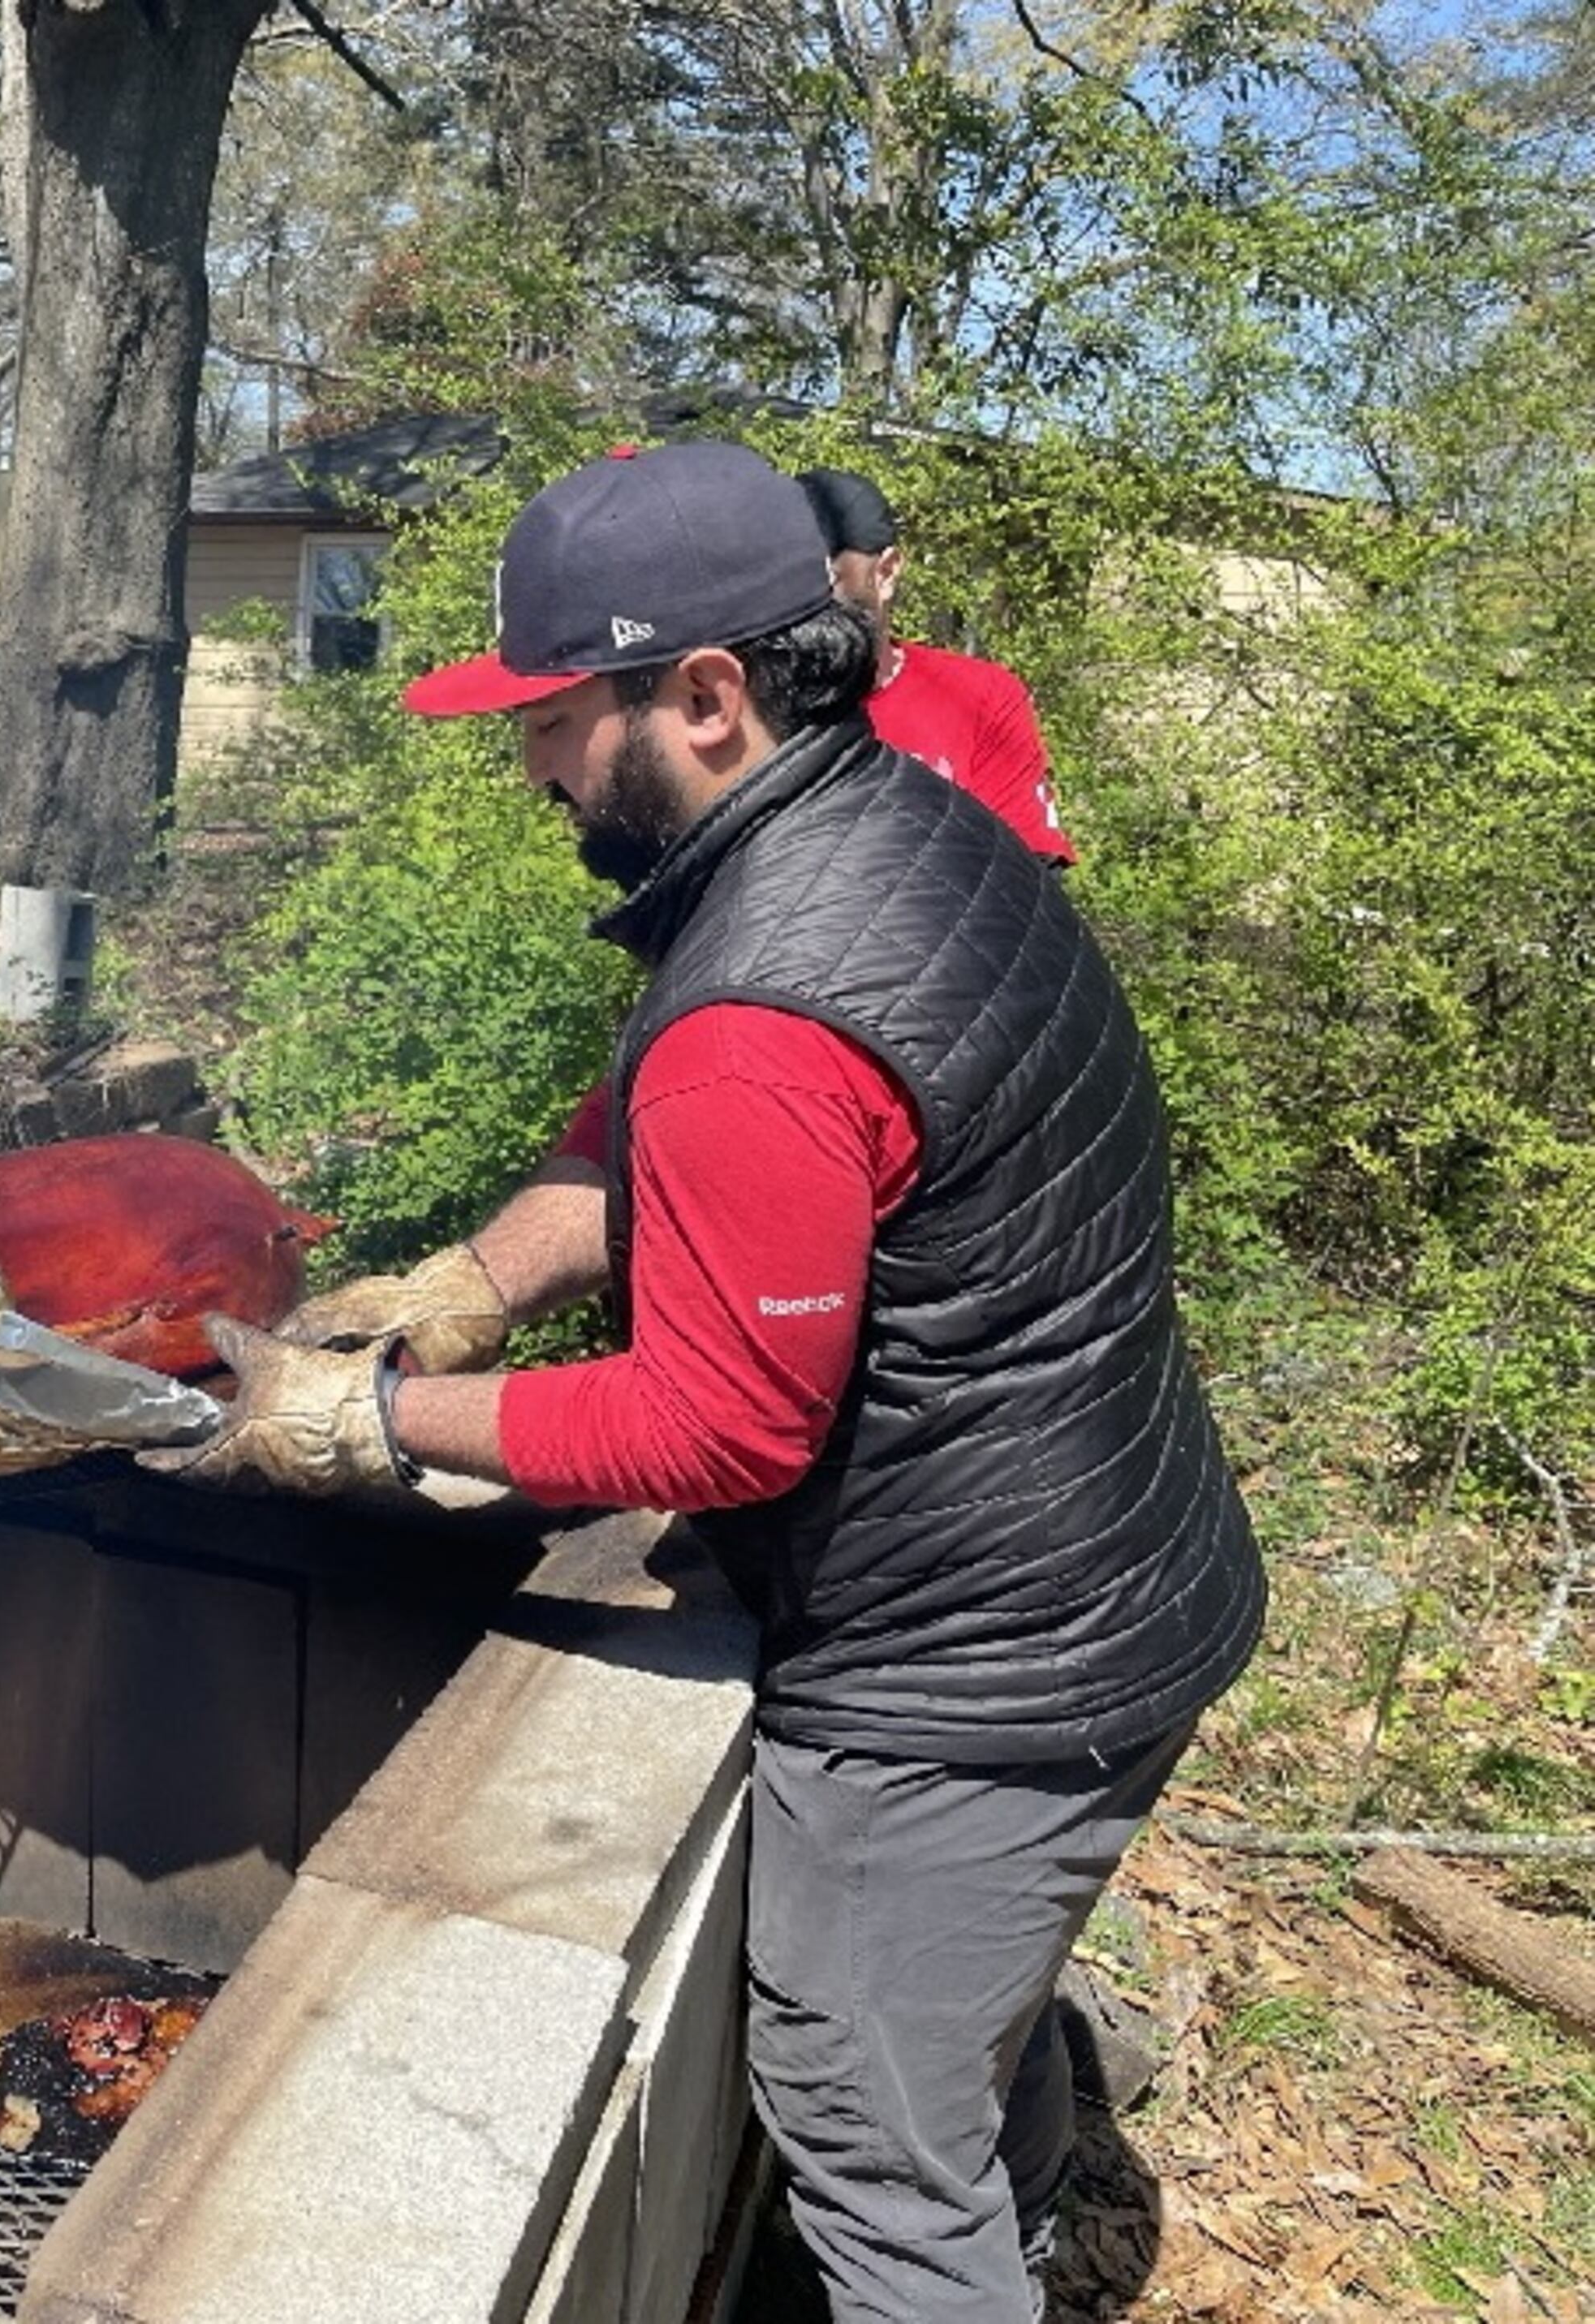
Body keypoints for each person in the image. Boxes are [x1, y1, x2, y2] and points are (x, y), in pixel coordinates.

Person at [153, 441, 1264, 2322]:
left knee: (865, 2127)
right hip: (1114, 1573)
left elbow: (716, 1421)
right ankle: (1024, 2227)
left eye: (549, 719)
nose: (528, 766)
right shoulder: (888, 831)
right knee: (955, 2051)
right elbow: (647, 1131)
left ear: (703, 695)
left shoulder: (766, 993)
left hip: (972, 1673)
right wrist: (469, 1284)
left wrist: (370, 1422)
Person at [800, 465, 1073, 864]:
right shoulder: (742, 699)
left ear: (885, 573)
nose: (797, 595)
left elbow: (1028, 877)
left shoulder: (980, 698)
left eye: (819, 574)